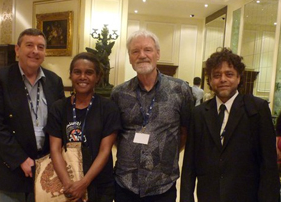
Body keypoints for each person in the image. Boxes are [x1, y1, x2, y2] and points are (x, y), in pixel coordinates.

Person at [180, 47, 280, 202]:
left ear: (239, 78)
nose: (223, 79)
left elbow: (269, 164)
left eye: (229, 74)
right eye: (217, 75)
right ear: (210, 80)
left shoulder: (257, 109)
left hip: (246, 196)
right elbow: (189, 165)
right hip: (208, 196)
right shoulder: (199, 114)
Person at [0, 28, 65, 202]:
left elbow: (60, 123)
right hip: (9, 170)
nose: (35, 51)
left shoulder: (54, 81)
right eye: (29, 45)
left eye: (41, 47)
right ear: (17, 49)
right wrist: (20, 159)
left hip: (45, 170)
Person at [111, 29, 193, 202]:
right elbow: (115, 135)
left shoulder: (180, 90)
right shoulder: (119, 93)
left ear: (157, 54)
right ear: (130, 58)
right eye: (135, 51)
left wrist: (164, 152)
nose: (142, 55)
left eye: (147, 49)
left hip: (163, 183)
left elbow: (185, 131)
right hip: (126, 182)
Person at [44, 52, 121, 202]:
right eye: (77, 72)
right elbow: (55, 149)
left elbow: (105, 151)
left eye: (89, 73)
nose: (82, 77)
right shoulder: (58, 108)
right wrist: (68, 185)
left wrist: (84, 183)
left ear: (98, 77)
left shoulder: (108, 108)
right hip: (65, 183)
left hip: (100, 184)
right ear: (71, 75)